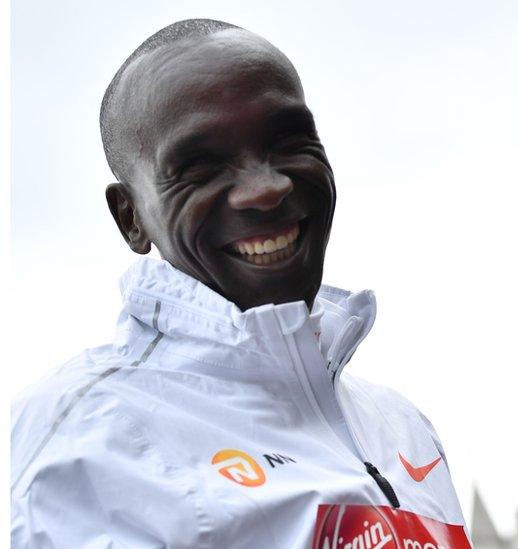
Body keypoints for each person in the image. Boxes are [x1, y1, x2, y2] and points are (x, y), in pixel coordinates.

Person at [11, 19, 471, 548]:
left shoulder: (399, 423)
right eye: (200, 167)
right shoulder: (87, 433)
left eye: (289, 140)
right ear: (131, 218)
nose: (266, 188)